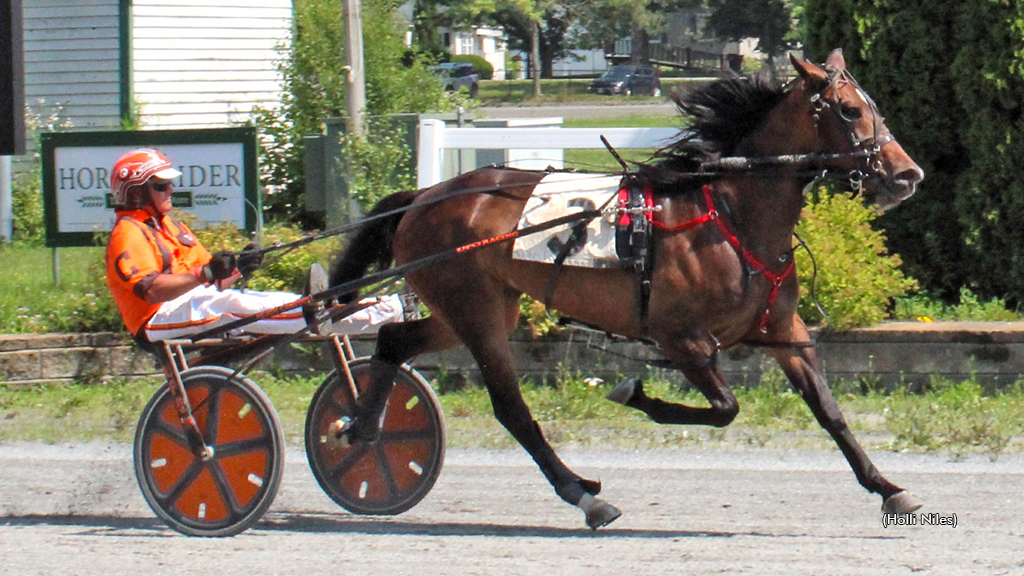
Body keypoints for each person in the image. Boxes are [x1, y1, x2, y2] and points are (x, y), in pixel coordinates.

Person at [104, 148, 403, 344]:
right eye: (160, 185)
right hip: (156, 319)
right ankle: (314, 314)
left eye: (169, 183)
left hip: (192, 305)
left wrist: (237, 267)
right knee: (233, 306)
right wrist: (205, 275)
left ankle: (389, 310)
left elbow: (214, 280)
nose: (171, 189)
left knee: (268, 299)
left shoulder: (170, 227)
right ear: (136, 193)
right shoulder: (128, 234)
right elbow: (152, 290)